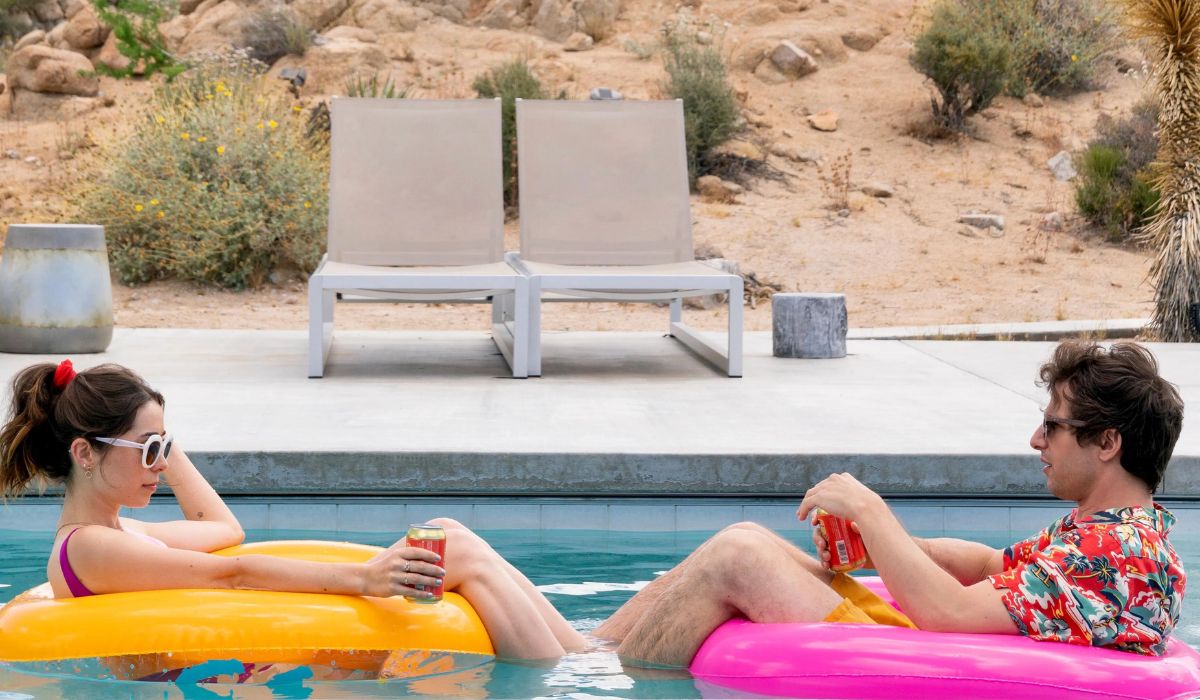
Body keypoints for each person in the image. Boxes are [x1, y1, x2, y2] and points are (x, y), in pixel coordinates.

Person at [596, 340, 1186, 667]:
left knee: (739, 554)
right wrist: (882, 544)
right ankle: (586, 656)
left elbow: (950, 615)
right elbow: (988, 568)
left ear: (1108, 442)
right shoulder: (1110, 536)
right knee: (726, 554)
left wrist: (872, 511)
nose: (1037, 440)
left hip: (921, 668)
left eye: (1052, 426)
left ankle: (598, 676)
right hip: (936, 652)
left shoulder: (1114, 552)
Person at [0, 360, 586, 664]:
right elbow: (233, 570)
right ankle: (566, 671)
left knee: (449, 533)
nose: (161, 464)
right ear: (85, 452)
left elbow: (224, 531)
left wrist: (158, 442)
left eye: (164, 448)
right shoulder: (90, 548)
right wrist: (365, 579)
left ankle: (583, 653)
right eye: (149, 451)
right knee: (453, 549)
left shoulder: (124, 532)